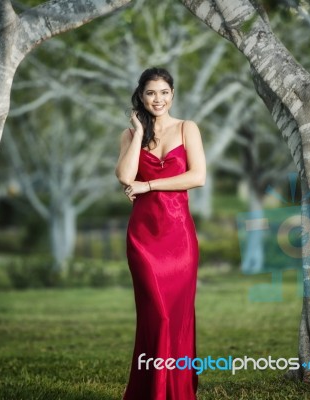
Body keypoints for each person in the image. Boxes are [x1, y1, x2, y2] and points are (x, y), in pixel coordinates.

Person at [115, 67, 206, 400]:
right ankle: (150, 391)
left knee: (177, 317)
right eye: (151, 92)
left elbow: (197, 177)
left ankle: (177, 390)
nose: (158, 99)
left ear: (173, 94)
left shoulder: (187, 128)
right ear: (141, 95)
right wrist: (139, 134)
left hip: (180, 238)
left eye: (164, 92)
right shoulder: (129, 136)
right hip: (143, 239)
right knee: (157, 315)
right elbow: (125, 177)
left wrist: (149, 184)